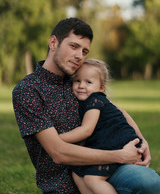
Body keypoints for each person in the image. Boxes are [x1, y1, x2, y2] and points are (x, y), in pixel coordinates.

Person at [12, 17, 160, 194]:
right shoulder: (28, 90)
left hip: (107, 170)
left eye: (84, 51)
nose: (79, 56)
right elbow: (58, 153)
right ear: (53, 43)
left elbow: (116, 109)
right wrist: (119, 155)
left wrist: (142, 142)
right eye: (74, 46)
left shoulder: (79, 80)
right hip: (64, 185)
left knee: (149, 181)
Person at [59, 59, 159, 194]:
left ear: (101, 87)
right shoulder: (91, 100)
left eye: (88, 82)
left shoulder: (94, 100)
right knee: (77, 173)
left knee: (92, 179)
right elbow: (123, 113)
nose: (81, 85)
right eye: (77, 81)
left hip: (116, 143)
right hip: (107, 142)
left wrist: (56, 139)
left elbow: (86, 130)